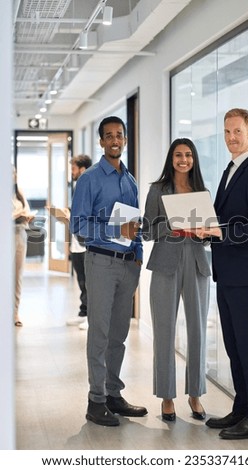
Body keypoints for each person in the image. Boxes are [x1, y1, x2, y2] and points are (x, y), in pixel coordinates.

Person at [199, 108, 248, 439]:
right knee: (233, 345)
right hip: (228, 274)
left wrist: (220, 232)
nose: (231, 137)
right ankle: (243, 408)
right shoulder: (231, 170)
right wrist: (205, 226)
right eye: (227, 132)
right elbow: (226, 217)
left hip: (246, 275)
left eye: (237, 132)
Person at [70, 116, 147, 426]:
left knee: (119, 335)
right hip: (101, 262)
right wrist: (117, 228)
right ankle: (96, 400)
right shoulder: (89, 179)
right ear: (101, 142)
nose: (115, 140)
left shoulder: (130, 181)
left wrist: (138, 255)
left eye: (120, 135)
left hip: (128, 267)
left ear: (125, 140)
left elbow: (136, 225)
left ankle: (113, 394)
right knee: (100, 334)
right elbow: (78, 226)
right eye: (109, 136)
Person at [142, 138, 211, 421]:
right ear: (171, 159)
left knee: (198, 333)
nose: (184, 160)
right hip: (165, 263)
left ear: (194, 159)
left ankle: (195, 394)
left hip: (196, 262)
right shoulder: (157, 190)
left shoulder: (202, 190)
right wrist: (173, 223)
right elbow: (146, 230)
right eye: (179, 155)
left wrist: (204, 233)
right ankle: (167, 397)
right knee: (164, 332)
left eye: (188, 155)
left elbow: (208, 236)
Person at [65, 155, 92, 331]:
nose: (72, 172)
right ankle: (83, 313)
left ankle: (91, 317)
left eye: (73, 168)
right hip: (76, 241)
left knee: (89, 281)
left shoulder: (89, 184)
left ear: (81, 168)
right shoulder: (77, 186)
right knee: (81, 280)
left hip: (87, 241)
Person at [12, 166, 35, 326]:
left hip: (20, 233)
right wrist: (15, 215)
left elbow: (26, 209)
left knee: (17, 276)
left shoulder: (18, 192)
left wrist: (27, 216)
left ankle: (15, 313)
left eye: (13, 172)